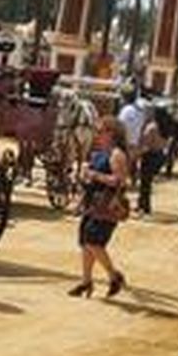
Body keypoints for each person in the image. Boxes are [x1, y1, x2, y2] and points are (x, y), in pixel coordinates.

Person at [68, 116, 131, 298]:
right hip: (93, 204)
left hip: (107, 206)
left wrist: (94, 175)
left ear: (111, 134)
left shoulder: (117, 154)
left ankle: (113, 276)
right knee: (86, 244)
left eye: (101, 131)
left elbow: (119, 181)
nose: (97, 135)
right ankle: (86, 281)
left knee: (93, 242)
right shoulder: (99, 153)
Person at [135, 113, 165, 216]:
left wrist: (137, 154)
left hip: (149, 156)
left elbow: (146, 145)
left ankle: (145, 206)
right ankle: (142, 204)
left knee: (145, 183)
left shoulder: (151, 127)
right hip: (159, 154)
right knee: (148, 182)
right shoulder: (163, 127)